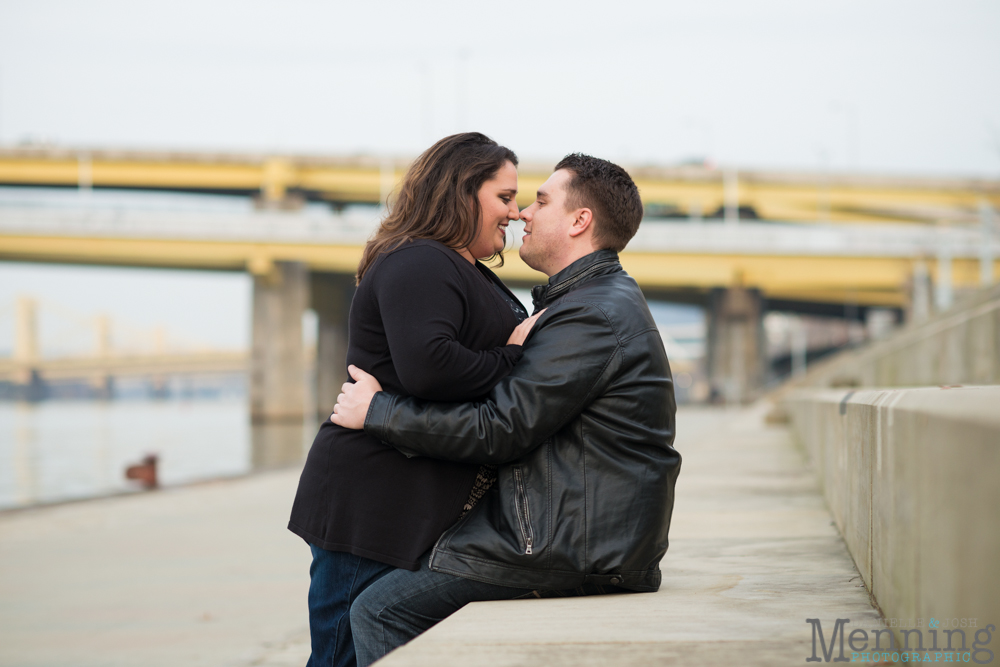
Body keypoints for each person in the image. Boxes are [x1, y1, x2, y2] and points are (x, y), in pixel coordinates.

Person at [331, 153, 682, 666]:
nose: (523, 214)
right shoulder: (592, 302)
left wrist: (379, 411)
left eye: (540, 201)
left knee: (378, 611)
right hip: (587, 534)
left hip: (568, 543)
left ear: (580, 221)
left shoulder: (592, 314)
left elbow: (501, 428)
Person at [288, 132, 544, 667]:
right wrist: (514, 355)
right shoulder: (420, 262)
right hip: (374, 504)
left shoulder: (459, 267)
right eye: (504, 198)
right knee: (341, 657)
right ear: (460, 192)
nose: (515, 213)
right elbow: (431, 367)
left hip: (406, 502)